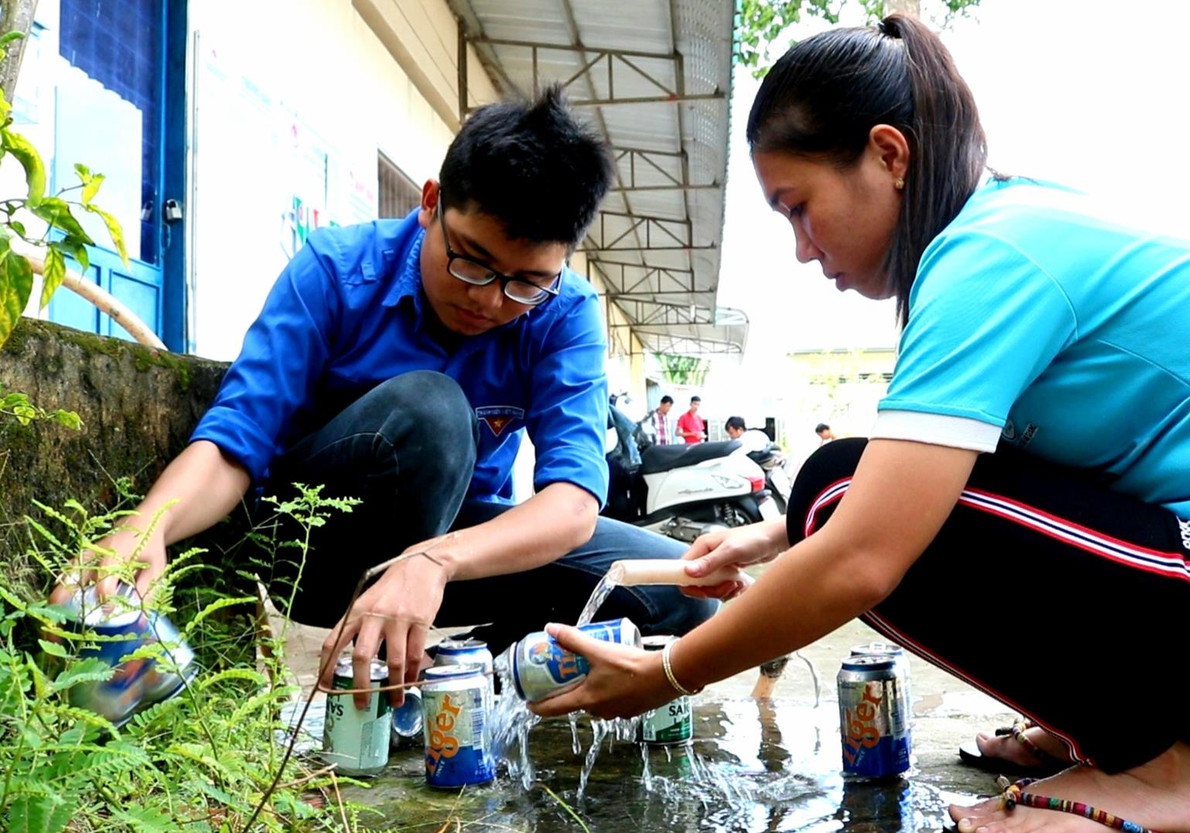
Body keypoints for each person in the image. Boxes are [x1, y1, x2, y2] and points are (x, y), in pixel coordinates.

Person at [530, 16, 1190, 833]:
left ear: (888, 154)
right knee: (837, 497)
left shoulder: (992, 256)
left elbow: (866, 548)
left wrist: (669, 672)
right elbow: (951, 482)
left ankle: (1154, 774)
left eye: (797, 207)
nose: (800, 246)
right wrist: (766, 538)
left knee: (835, 493)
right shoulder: (1001, 232)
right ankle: (1096, 729)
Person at [53, 86, 715, 708]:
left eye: (525, 283)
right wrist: (147, 524)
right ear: (430, 203)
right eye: (472, 262)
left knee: (681, 589)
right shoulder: (337, 270)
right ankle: (363, 651)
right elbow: (235, 437)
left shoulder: (565, 312)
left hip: (447, 559)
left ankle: (479, 678)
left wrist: (433, 559)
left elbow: (571, 503)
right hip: (311, 543)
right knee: (434, 411)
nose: (489, 299)